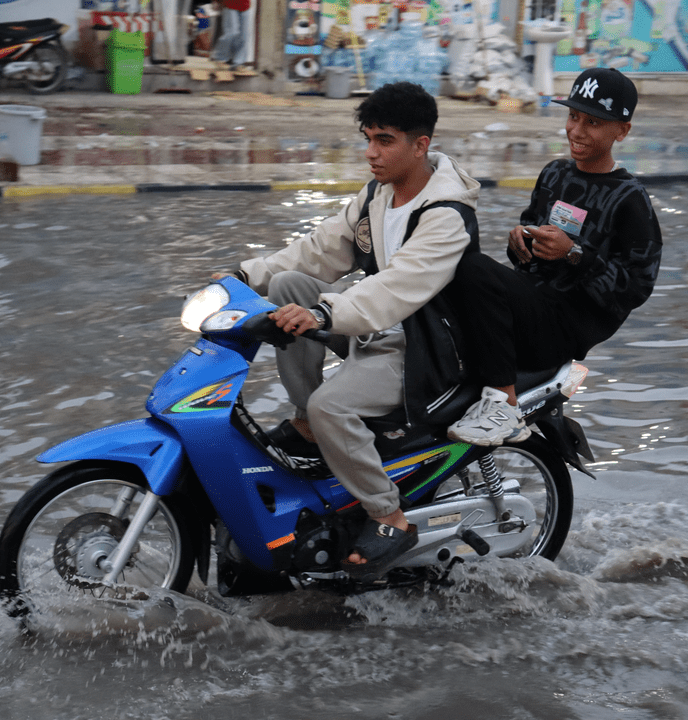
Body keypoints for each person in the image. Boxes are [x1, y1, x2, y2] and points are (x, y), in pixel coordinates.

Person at [214, 82, 481, 579]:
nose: (371, 153)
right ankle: (310, 427)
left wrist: (323, 314)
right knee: (291, 284)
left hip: (423, 347)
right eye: (368, 139)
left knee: (331, 403)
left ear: (420, 145)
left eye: (384, 141)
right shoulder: (378, 195)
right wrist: (245, 276)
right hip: (376, 329)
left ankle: (388, 516)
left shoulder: (447, 216)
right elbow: (320, 249)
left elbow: (396, 290)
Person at [446, 67, 662, 446]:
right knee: (453, 256)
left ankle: (503, 405)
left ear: (622, 131)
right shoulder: (554, 174)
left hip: (563, 328)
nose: (576, 131)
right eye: (573, 116)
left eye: (592, 122)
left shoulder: (630, 199)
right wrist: (522, 242)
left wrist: (576, 254)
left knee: (473, 267)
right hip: (531, 303)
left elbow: (637, 288)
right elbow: (529, 251)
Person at [211, 0, 251, 68]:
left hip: (245, 5)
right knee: (231, 32)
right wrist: (216, 1)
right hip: (229, 4)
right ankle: (219, 57)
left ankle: (238, 62)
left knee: (243, 36)